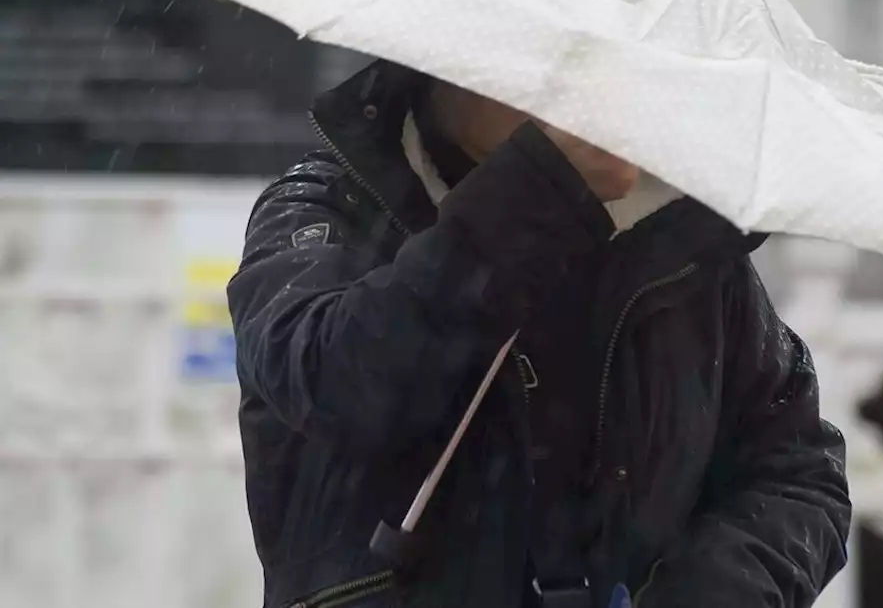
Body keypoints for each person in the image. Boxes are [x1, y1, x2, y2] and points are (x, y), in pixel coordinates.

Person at [228, 58, 851, 608]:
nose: (564, 84)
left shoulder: (677, 241)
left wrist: (706, 592)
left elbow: (797, 471)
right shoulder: (331, 205)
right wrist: (538, 193)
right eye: (529, 54)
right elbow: (337, 383)